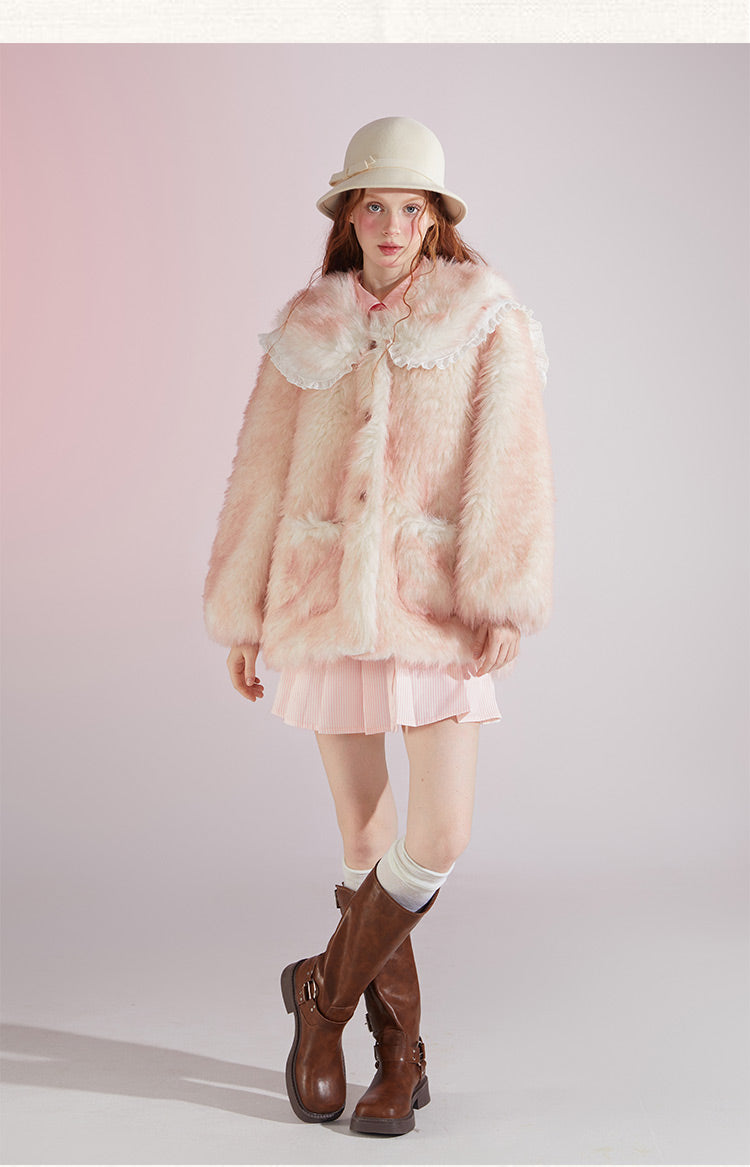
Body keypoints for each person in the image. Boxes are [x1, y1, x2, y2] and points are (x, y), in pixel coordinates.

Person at [203, 115, 555, 1137]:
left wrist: (500, 595)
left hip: (434, 605)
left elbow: (512, 462)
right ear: (348, 216)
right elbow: (260, 473)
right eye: (374, 205)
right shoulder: (307, 327)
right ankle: (399, 1060)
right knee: (362, 839)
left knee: (437, 836)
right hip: (321, 601)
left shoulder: (486, 320)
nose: (393, 224)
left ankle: (321, 993)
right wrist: (243, 614)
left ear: (435, 220)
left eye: (411, 207)